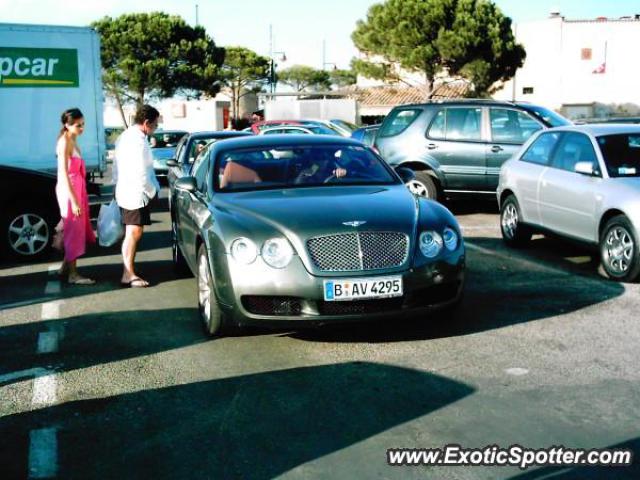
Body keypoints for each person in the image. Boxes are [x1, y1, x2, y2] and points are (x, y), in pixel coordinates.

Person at [113, 105, 161, 288]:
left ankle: (129, 271)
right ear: (147, 122)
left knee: (132, 231)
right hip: (134, 192)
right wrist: (152, 191)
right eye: (155, 125)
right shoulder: (138, 140)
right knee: (133, 232)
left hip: (126, 189)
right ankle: (128, 273)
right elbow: (142, 172)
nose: (155, 129)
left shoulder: (125, 136)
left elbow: (116, 167)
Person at [55, 108, 96, 284]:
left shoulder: (73, 140)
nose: (82, 128)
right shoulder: (65, 142)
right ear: (67, 125)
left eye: (83, 124)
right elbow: (63, 173)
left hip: (77, 189)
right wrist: (74, 200)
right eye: (78, 125)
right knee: (73, 231)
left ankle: (65, 268)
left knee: (76, 229)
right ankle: (73, 275)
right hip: (69, 190)